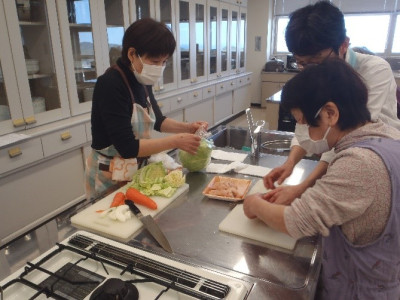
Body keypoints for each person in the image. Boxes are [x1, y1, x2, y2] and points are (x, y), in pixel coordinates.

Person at [244, 58, 400, 299]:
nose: (304, 134)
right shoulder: (387, 135)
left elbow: (296, 221)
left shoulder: (359, 162)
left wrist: (254, 203)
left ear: (330, 113)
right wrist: (303, 191)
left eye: (303, 123)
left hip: (360, 289)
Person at [264, 1, 400, 204]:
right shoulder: (319, 72)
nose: (309, 69)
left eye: (316, 60)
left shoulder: (374, 70)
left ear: (343, 45)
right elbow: (309, 123)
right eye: (301, 62)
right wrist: (290, 162)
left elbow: (347, 134)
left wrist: (302, 187)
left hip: (378, 158)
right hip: (342, 155)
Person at [85, 18, 207, 201]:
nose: (159, 68)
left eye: (164, 62)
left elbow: (157, 120)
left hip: (134, 169)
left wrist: (187, 128)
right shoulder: (110, 85)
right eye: (155, 61)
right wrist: (176, 141)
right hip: (108, 174)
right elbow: (127, 147)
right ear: (132, 54)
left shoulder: (142, 79)